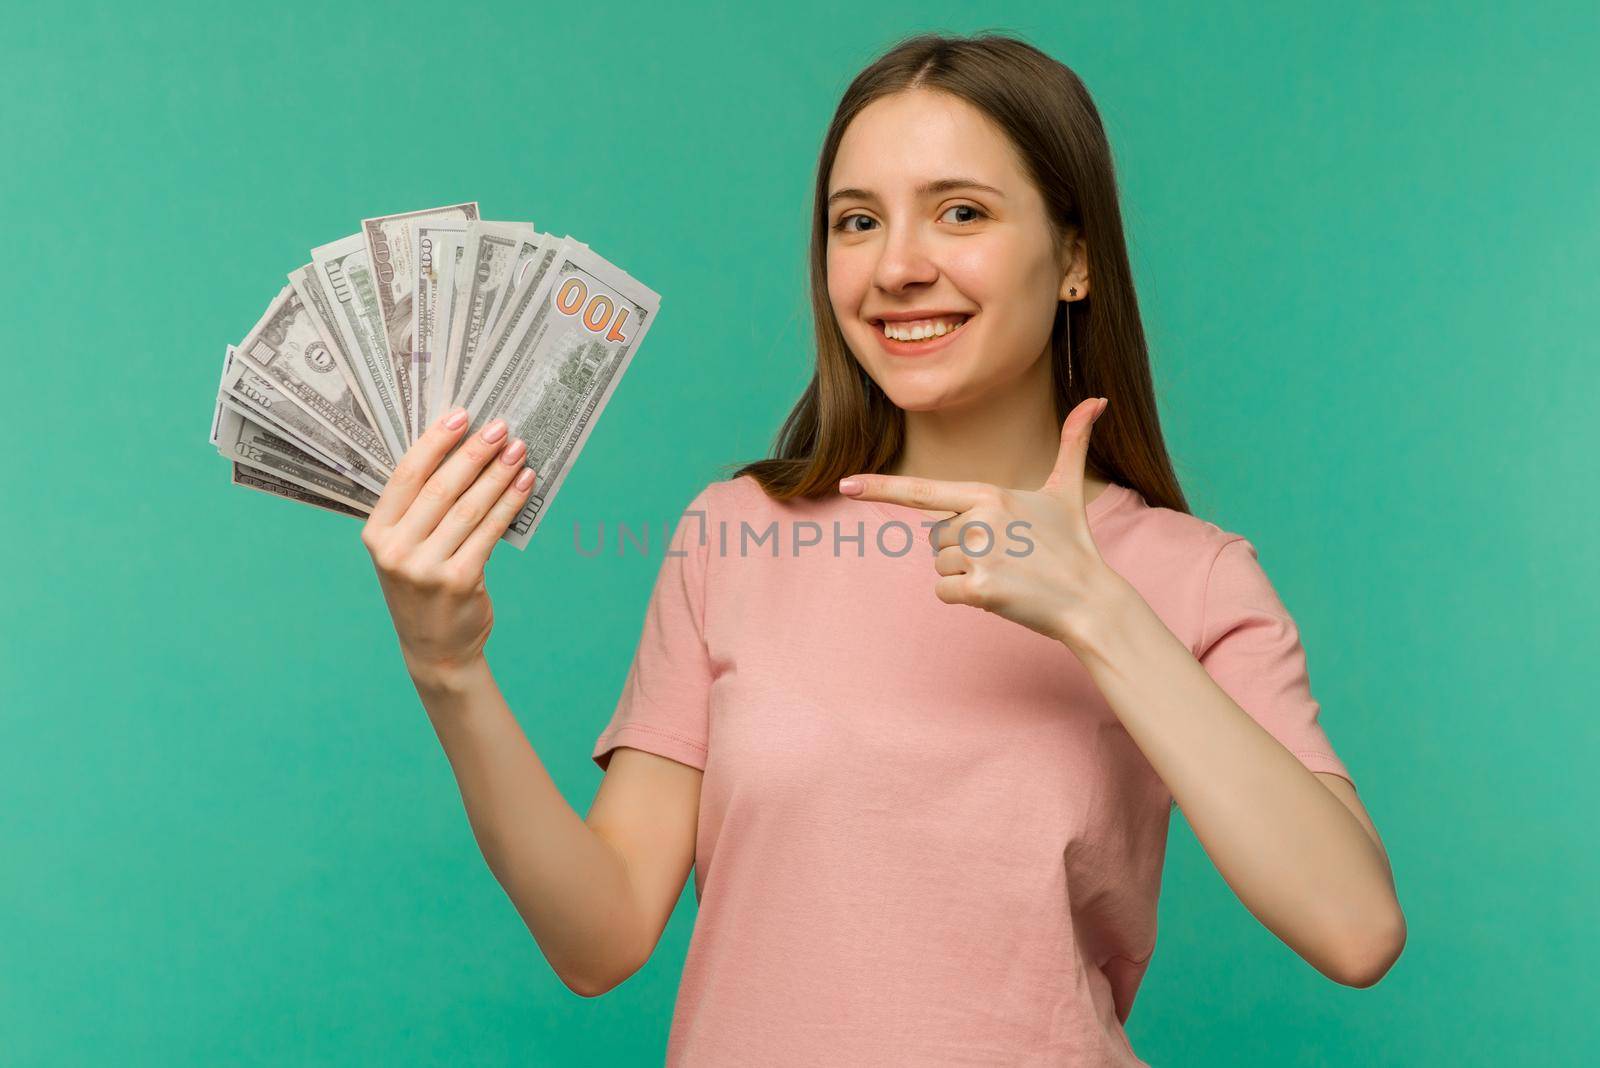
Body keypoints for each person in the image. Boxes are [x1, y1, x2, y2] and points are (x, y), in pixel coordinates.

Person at [360, 31, 1405, 1067]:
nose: (898, 267)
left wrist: (1099, 612)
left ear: (1076, 257)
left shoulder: (1190, 575)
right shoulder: (735, 535)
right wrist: (448, 671)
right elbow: (601, 938)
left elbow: (1354, 930)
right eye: (856, 222)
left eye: (962, 212)